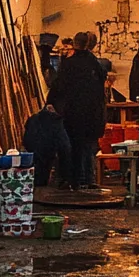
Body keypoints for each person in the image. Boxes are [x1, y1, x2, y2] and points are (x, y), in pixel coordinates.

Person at [47, 31, 107, 188]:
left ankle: (72, 179)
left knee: (72, 145)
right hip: (92, 112)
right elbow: (101, 88)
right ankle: (89, 178)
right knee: (88, 146)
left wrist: (50, 102)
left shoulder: (68, 64)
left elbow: (58, 85)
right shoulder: (95, 63)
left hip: (73, 110)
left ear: (74, 43)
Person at [22, 103, 72, 187]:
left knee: (34, 179)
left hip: (32, 154)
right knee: (43, 178)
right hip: (47, 153)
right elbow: (64, 145)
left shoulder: (33, 119)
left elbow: (26, 137)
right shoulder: (56, 122)